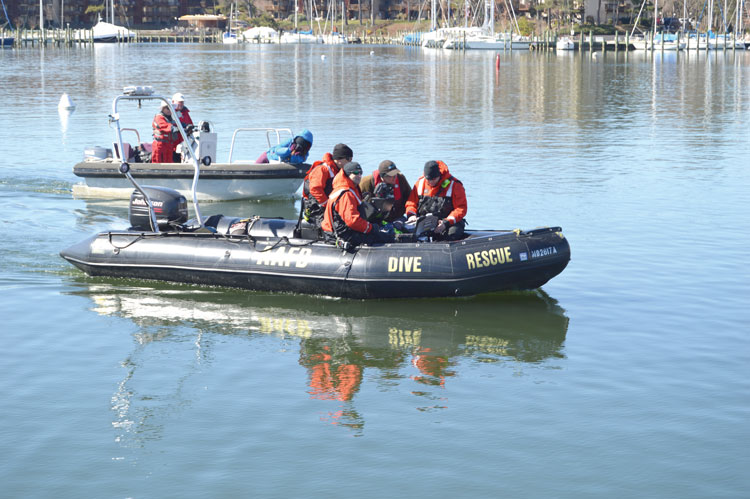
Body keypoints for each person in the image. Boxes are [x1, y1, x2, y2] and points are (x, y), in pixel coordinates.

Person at [322, 161, 394, 247]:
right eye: (356, 173)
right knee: (384, 237)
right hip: (342, 234)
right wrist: (370, 228)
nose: (359, 175)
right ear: (348, 174)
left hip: (343, 230)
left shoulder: (349, 189)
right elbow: (352, 221)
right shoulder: (346, 194)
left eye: (361, 173)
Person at [404, 160, 467, 241]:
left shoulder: (455, 185)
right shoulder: (419, 184)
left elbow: (461, 208)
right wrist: (411, 215)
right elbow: (411, 203)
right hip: (425, 223)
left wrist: (445, 223)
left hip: (448, 222)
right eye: (428, 179)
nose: (431, 182)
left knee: (452, 235)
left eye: (433, 179)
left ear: (439, 175)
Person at [302, 143, 353, 227]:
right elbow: (315, 189)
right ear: (339, 160)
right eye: (348, 159)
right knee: (335, 227)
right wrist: (328, 206)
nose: (350, 162)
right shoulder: (323, 169)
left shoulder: (339, 171)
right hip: (317, 208)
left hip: (331, 206)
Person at [171, 93, 194, 162]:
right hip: (173, 145)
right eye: (179, 102)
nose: (181, 104)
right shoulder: (170, 112)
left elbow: (190, 124)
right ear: (173, 102)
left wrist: (190, 128)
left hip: (184, 145)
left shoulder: (185, 112)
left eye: (182, 102)